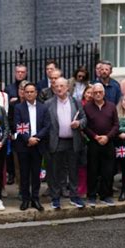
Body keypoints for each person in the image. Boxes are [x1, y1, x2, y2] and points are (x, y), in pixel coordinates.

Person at [46, 78, 87, 209]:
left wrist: (79, 123)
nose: (59, 88)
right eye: (56, 86)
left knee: (73, 170)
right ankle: (55, 197)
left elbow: (84, 118)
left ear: (67, 87)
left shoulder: (76, 102)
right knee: (55, 171)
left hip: (73, 141)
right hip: (57, 141)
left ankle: (75, 196)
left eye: (62, 86)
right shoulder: (48, 104)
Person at [13, 82, 50, 211]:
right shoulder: (18, 108)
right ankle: (25, 199)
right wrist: (28, 138)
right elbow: (17, 125)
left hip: (38, 145)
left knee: (36, 174)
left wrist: (36, 138)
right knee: (24, 174)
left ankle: (35, 198)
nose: (29, 94)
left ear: (36, 93)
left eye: (31, 91)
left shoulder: (43, 108)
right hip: (24, 145)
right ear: (23, 93)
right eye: (26, 92)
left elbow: (46, 126)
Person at [84, 83, 119, 207]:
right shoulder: (87, 107)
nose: (98, 94)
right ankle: (92, 196)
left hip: (108, 143)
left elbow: (116, 125)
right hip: (94, 143)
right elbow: (85, 126)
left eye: (100, 92)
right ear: (92, 94)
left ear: (104, 93)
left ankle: (106, 195)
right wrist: (95, 136)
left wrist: (107, 137)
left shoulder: (111, 106)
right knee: (92, 170)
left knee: (108, 171)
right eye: (95, 92)